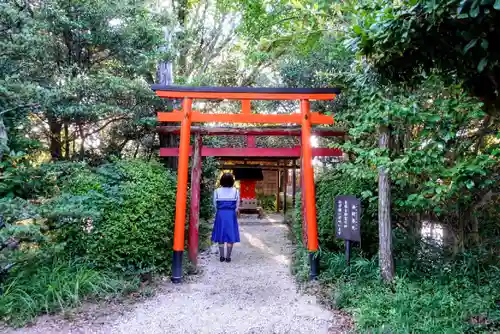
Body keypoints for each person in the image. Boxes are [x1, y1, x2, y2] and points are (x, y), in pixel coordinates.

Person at [212, 173, 240, 262]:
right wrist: (233, 211)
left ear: (221, 181)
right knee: (230, 234)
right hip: (231, 214)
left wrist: (219, 211)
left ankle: (221, 257)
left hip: (220, 214)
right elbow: (237, 206)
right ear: (232, 181)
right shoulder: (236, 191)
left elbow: (214, 205)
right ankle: (228, 257)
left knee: (220, 234)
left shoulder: (217, 191)